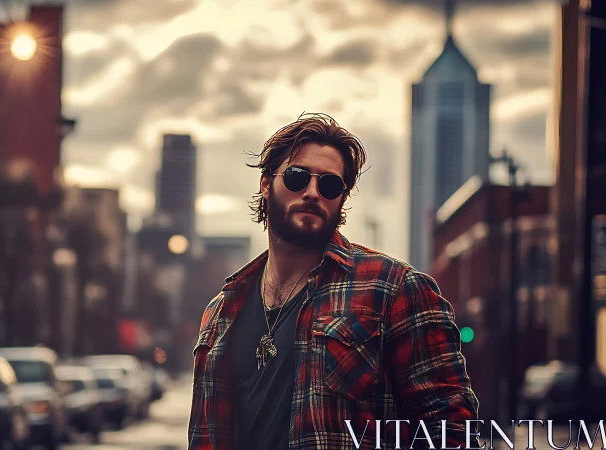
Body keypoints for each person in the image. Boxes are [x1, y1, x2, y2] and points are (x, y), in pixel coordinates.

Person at [188, 113, 480, 449]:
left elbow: (453, 433)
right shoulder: (221, 312)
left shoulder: (395, 289)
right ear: (266, 184)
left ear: (341, 199)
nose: (312, 192)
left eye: (329, 184)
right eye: (297, 177)